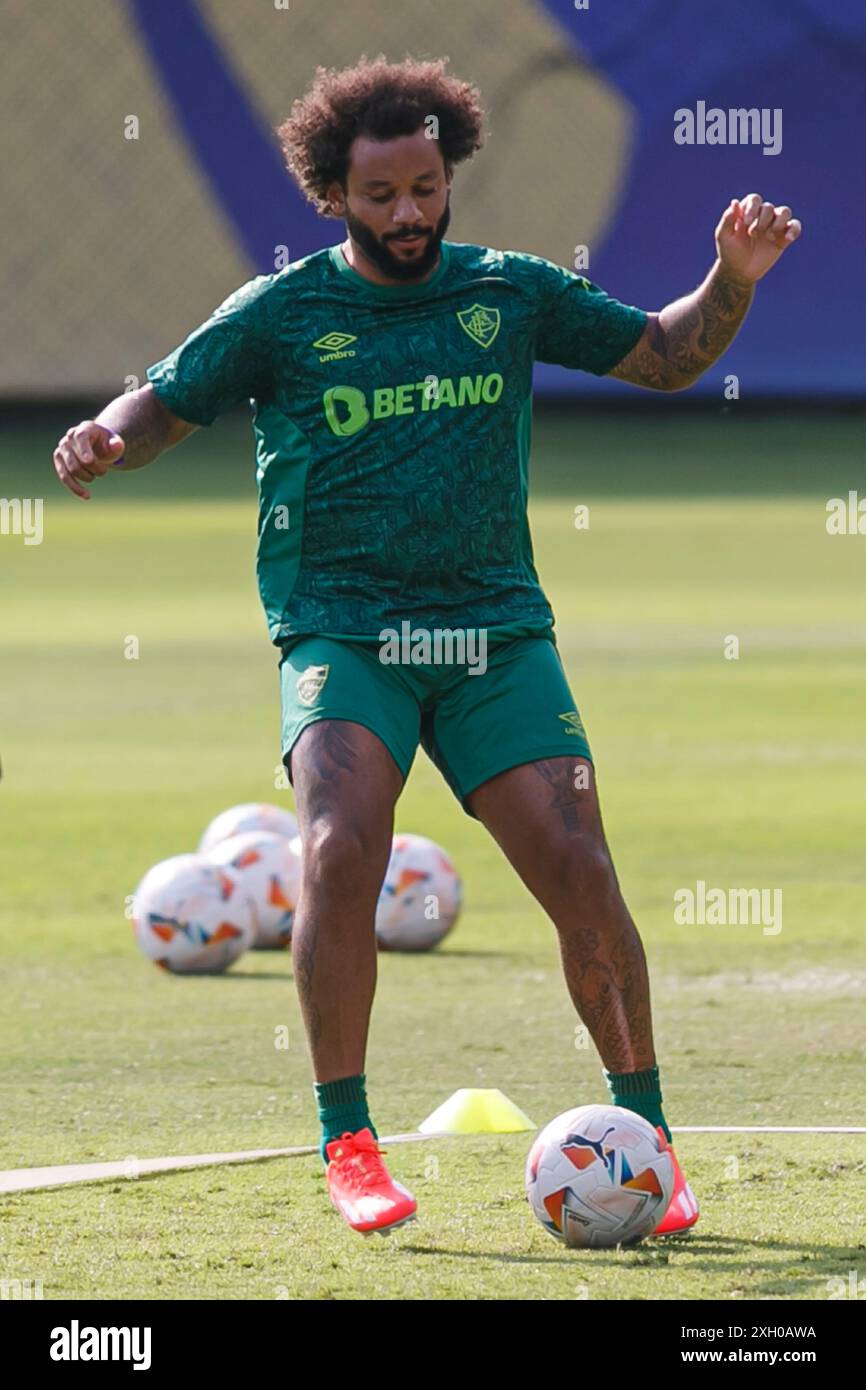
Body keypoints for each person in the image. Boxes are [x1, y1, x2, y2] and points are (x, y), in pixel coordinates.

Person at [52, 55, 801, 1237]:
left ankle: (648, 1145)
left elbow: (663, 357)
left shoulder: (503, 293)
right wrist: (103, 435)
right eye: (379, 195)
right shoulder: (285, 312)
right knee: (343, 845)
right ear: (333, 195)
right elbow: (164, 399)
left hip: (493, 630)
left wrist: (730, 278)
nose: (407, 214)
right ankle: (348, 1140)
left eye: (424, 188)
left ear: (448, 177)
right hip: (342, 631)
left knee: (582, 873)